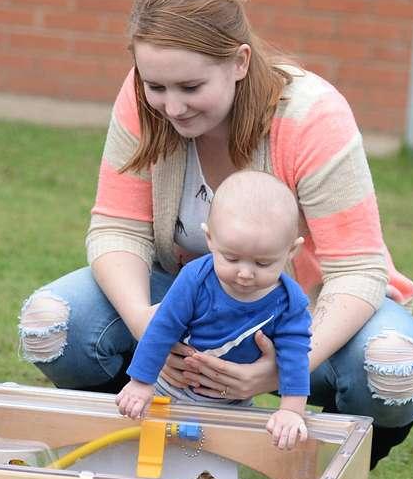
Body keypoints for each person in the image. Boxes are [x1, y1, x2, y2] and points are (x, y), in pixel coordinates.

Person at [18, 0, 413, 475]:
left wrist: (280, 368)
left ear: (238, 62)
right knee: (51, 324)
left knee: (392, 369)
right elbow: (116, 228)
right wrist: (146, 324)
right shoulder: (142, 101)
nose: (172, 106)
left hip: (304, 310)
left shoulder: (312, 114)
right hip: (185, 297)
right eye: (156, 86)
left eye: (191, 86)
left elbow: (358, 269)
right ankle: (141, 450)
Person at [115, 171, 311, 450]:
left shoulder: (290, 301)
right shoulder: (195, 278)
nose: (245, 273)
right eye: (231, 258)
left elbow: (295, 355)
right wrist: (140, 382)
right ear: (210, 238)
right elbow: (162, 327)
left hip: (233, 400)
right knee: (154, 450)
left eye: (263, 263)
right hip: (171, 387)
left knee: (215, 460)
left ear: (291, 251)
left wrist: (291, 410)